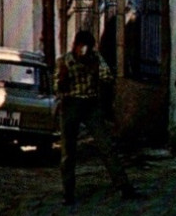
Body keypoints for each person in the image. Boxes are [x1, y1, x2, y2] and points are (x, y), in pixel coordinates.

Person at [56, 29, 133, 204]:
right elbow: (58, 87)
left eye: (88, 48)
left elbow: (107, 76)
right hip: (71, 105)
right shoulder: (64, 62)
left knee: (106, 147)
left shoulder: (96, 59)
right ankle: (68, 193)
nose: (84, 52)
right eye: (81, 48)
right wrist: (64, 79)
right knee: (68, 152)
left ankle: (124, 186)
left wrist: (93, 68)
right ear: (75, 46)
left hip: (91, 105)